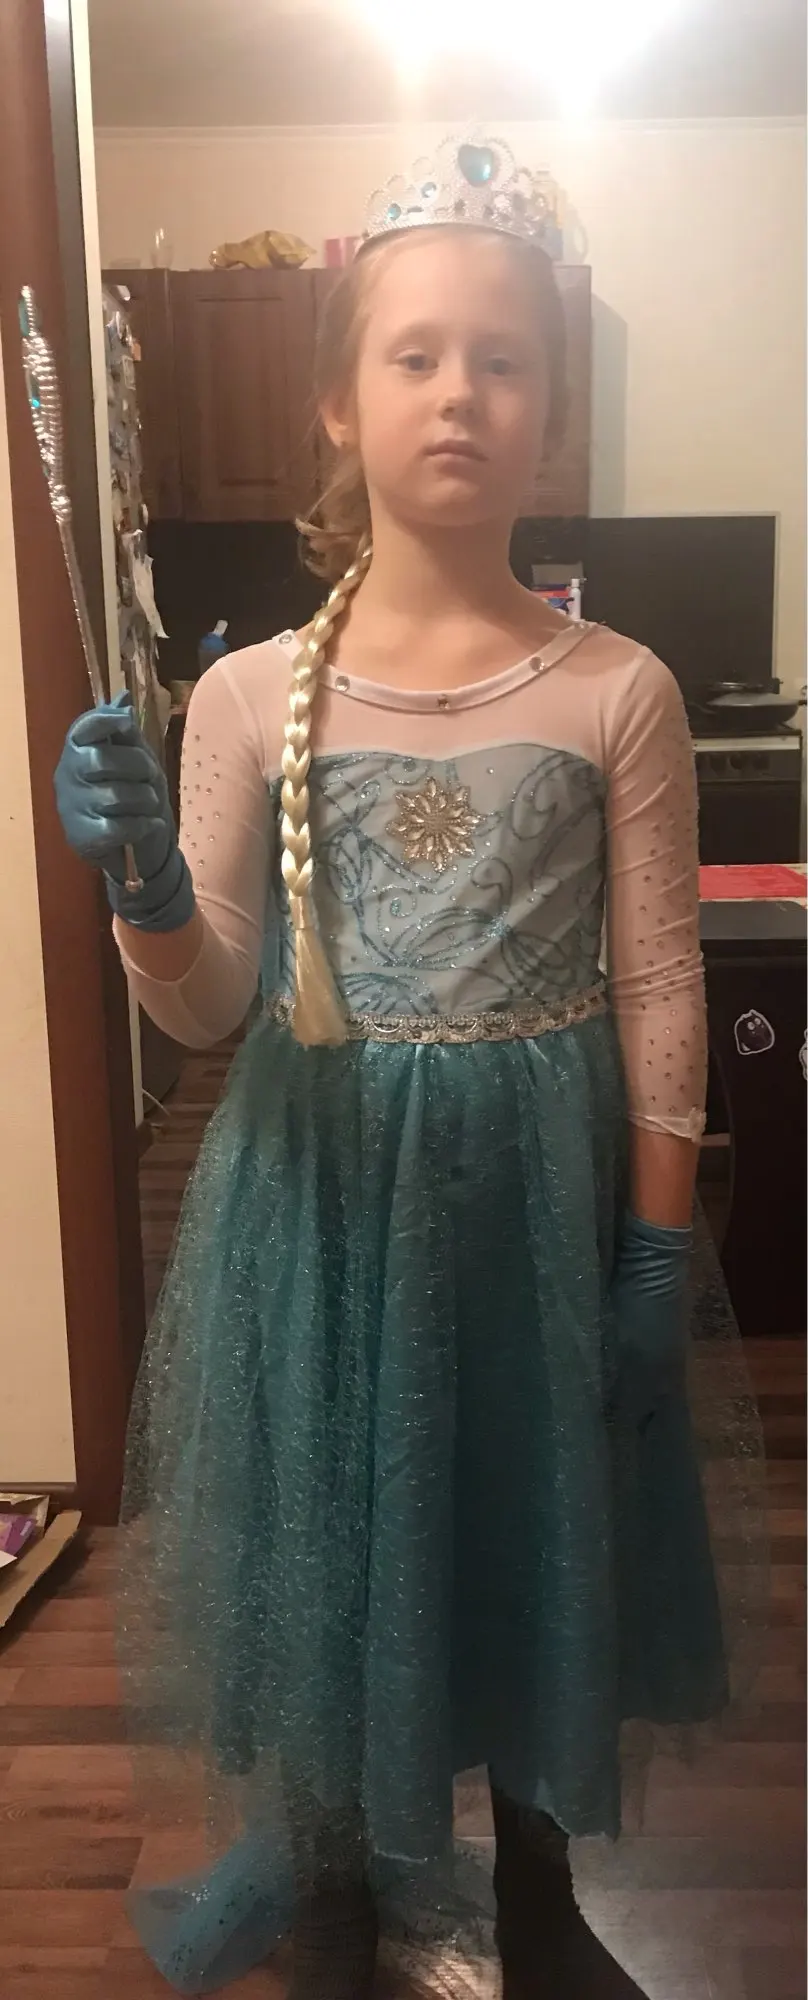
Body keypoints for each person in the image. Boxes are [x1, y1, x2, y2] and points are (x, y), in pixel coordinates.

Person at [55, 137, 758, 2000]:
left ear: (553, 406)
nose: (461, 393)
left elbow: (662, 984)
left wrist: (653, 1248)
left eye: (504, 360)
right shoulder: (243, 696)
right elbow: (206, 1006)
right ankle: (345, 1885)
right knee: (335, 1532)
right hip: (318, 1213)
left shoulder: (616, 688)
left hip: (536, 1212)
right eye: (416, 355)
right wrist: (144, 895)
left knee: (532, 1521)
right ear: (338, 403)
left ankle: (531, 1886)